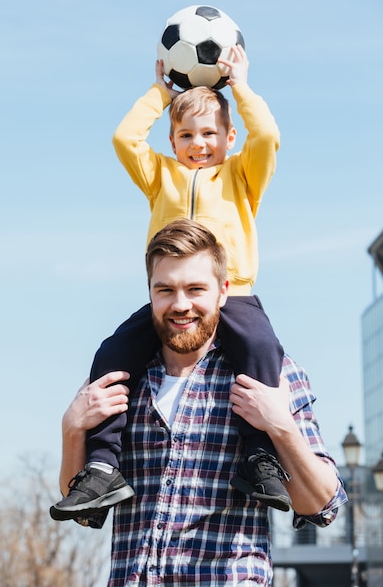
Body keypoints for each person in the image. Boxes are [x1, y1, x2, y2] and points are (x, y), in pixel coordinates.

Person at [50, 45, 288, 521]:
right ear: (172, 139)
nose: (198, 144)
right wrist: (160, 93)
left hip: (232, 293)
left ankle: (260, 458)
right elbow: (125, 138)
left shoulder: (242, 174)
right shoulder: (160, 176)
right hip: (169, 296)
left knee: (263, 349)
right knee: (110, 355)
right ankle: (101, 469)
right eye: (185, 135)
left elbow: (267, 135)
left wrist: (240, 87)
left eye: (208, 134)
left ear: (228, 136)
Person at [54, 219, 347, 587]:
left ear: (223, 291)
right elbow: (78, 499)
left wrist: (281, 426)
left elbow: (323, 506)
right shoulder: (122, 379)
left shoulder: (273, 376)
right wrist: (71, 428)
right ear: (150, 293)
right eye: (165, 290)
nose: (180, 305)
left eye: (195, 289)